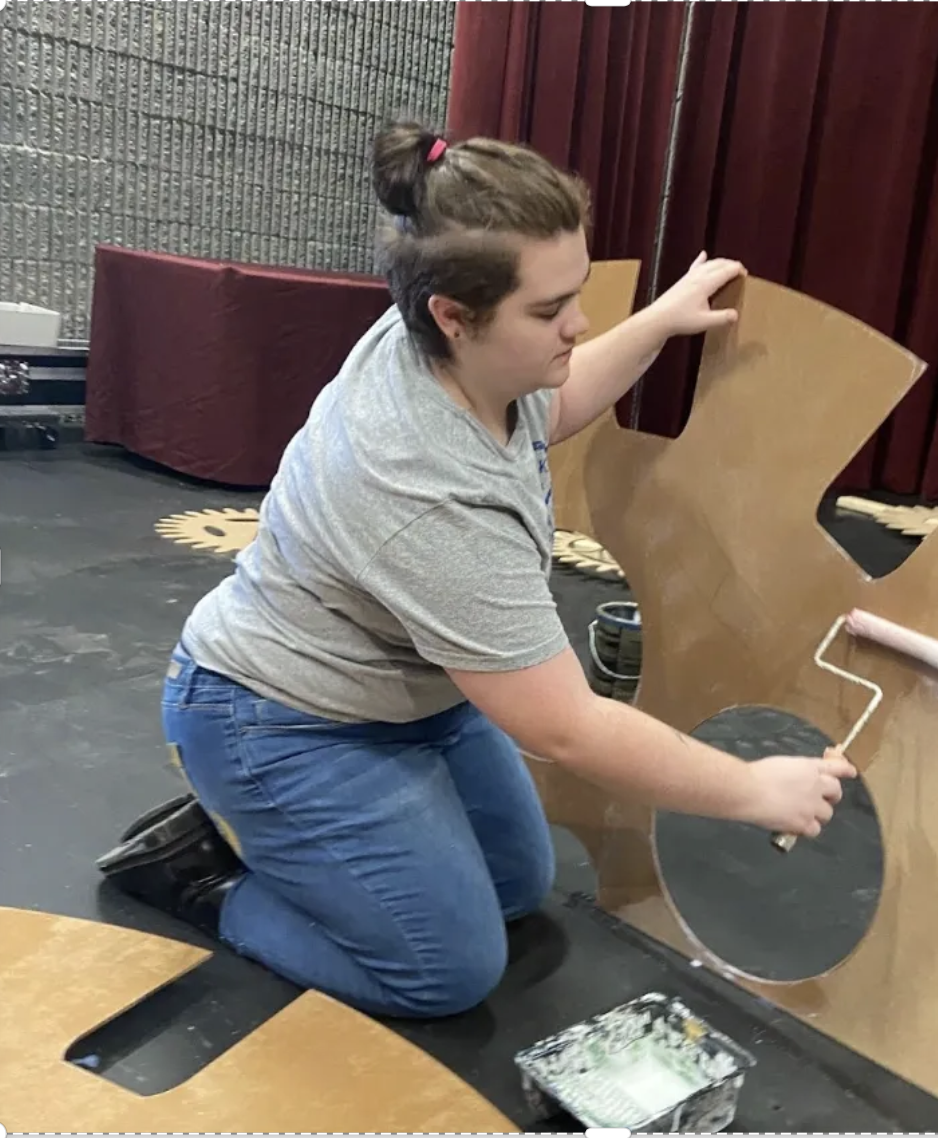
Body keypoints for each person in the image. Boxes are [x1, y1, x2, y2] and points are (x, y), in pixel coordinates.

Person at [97, 121, 857, 1019]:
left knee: (514, 886)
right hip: (282, 720)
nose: (576, 326)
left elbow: (557, 399)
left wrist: (660, 319)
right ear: (449, 315)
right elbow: (567, 727)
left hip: (418, 694)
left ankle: (308, 853)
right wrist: (749, 786)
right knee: (441, 973)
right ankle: (209, 880)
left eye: (574, 293)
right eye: (549, 312)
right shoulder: (422, 488)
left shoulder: (452, 325)